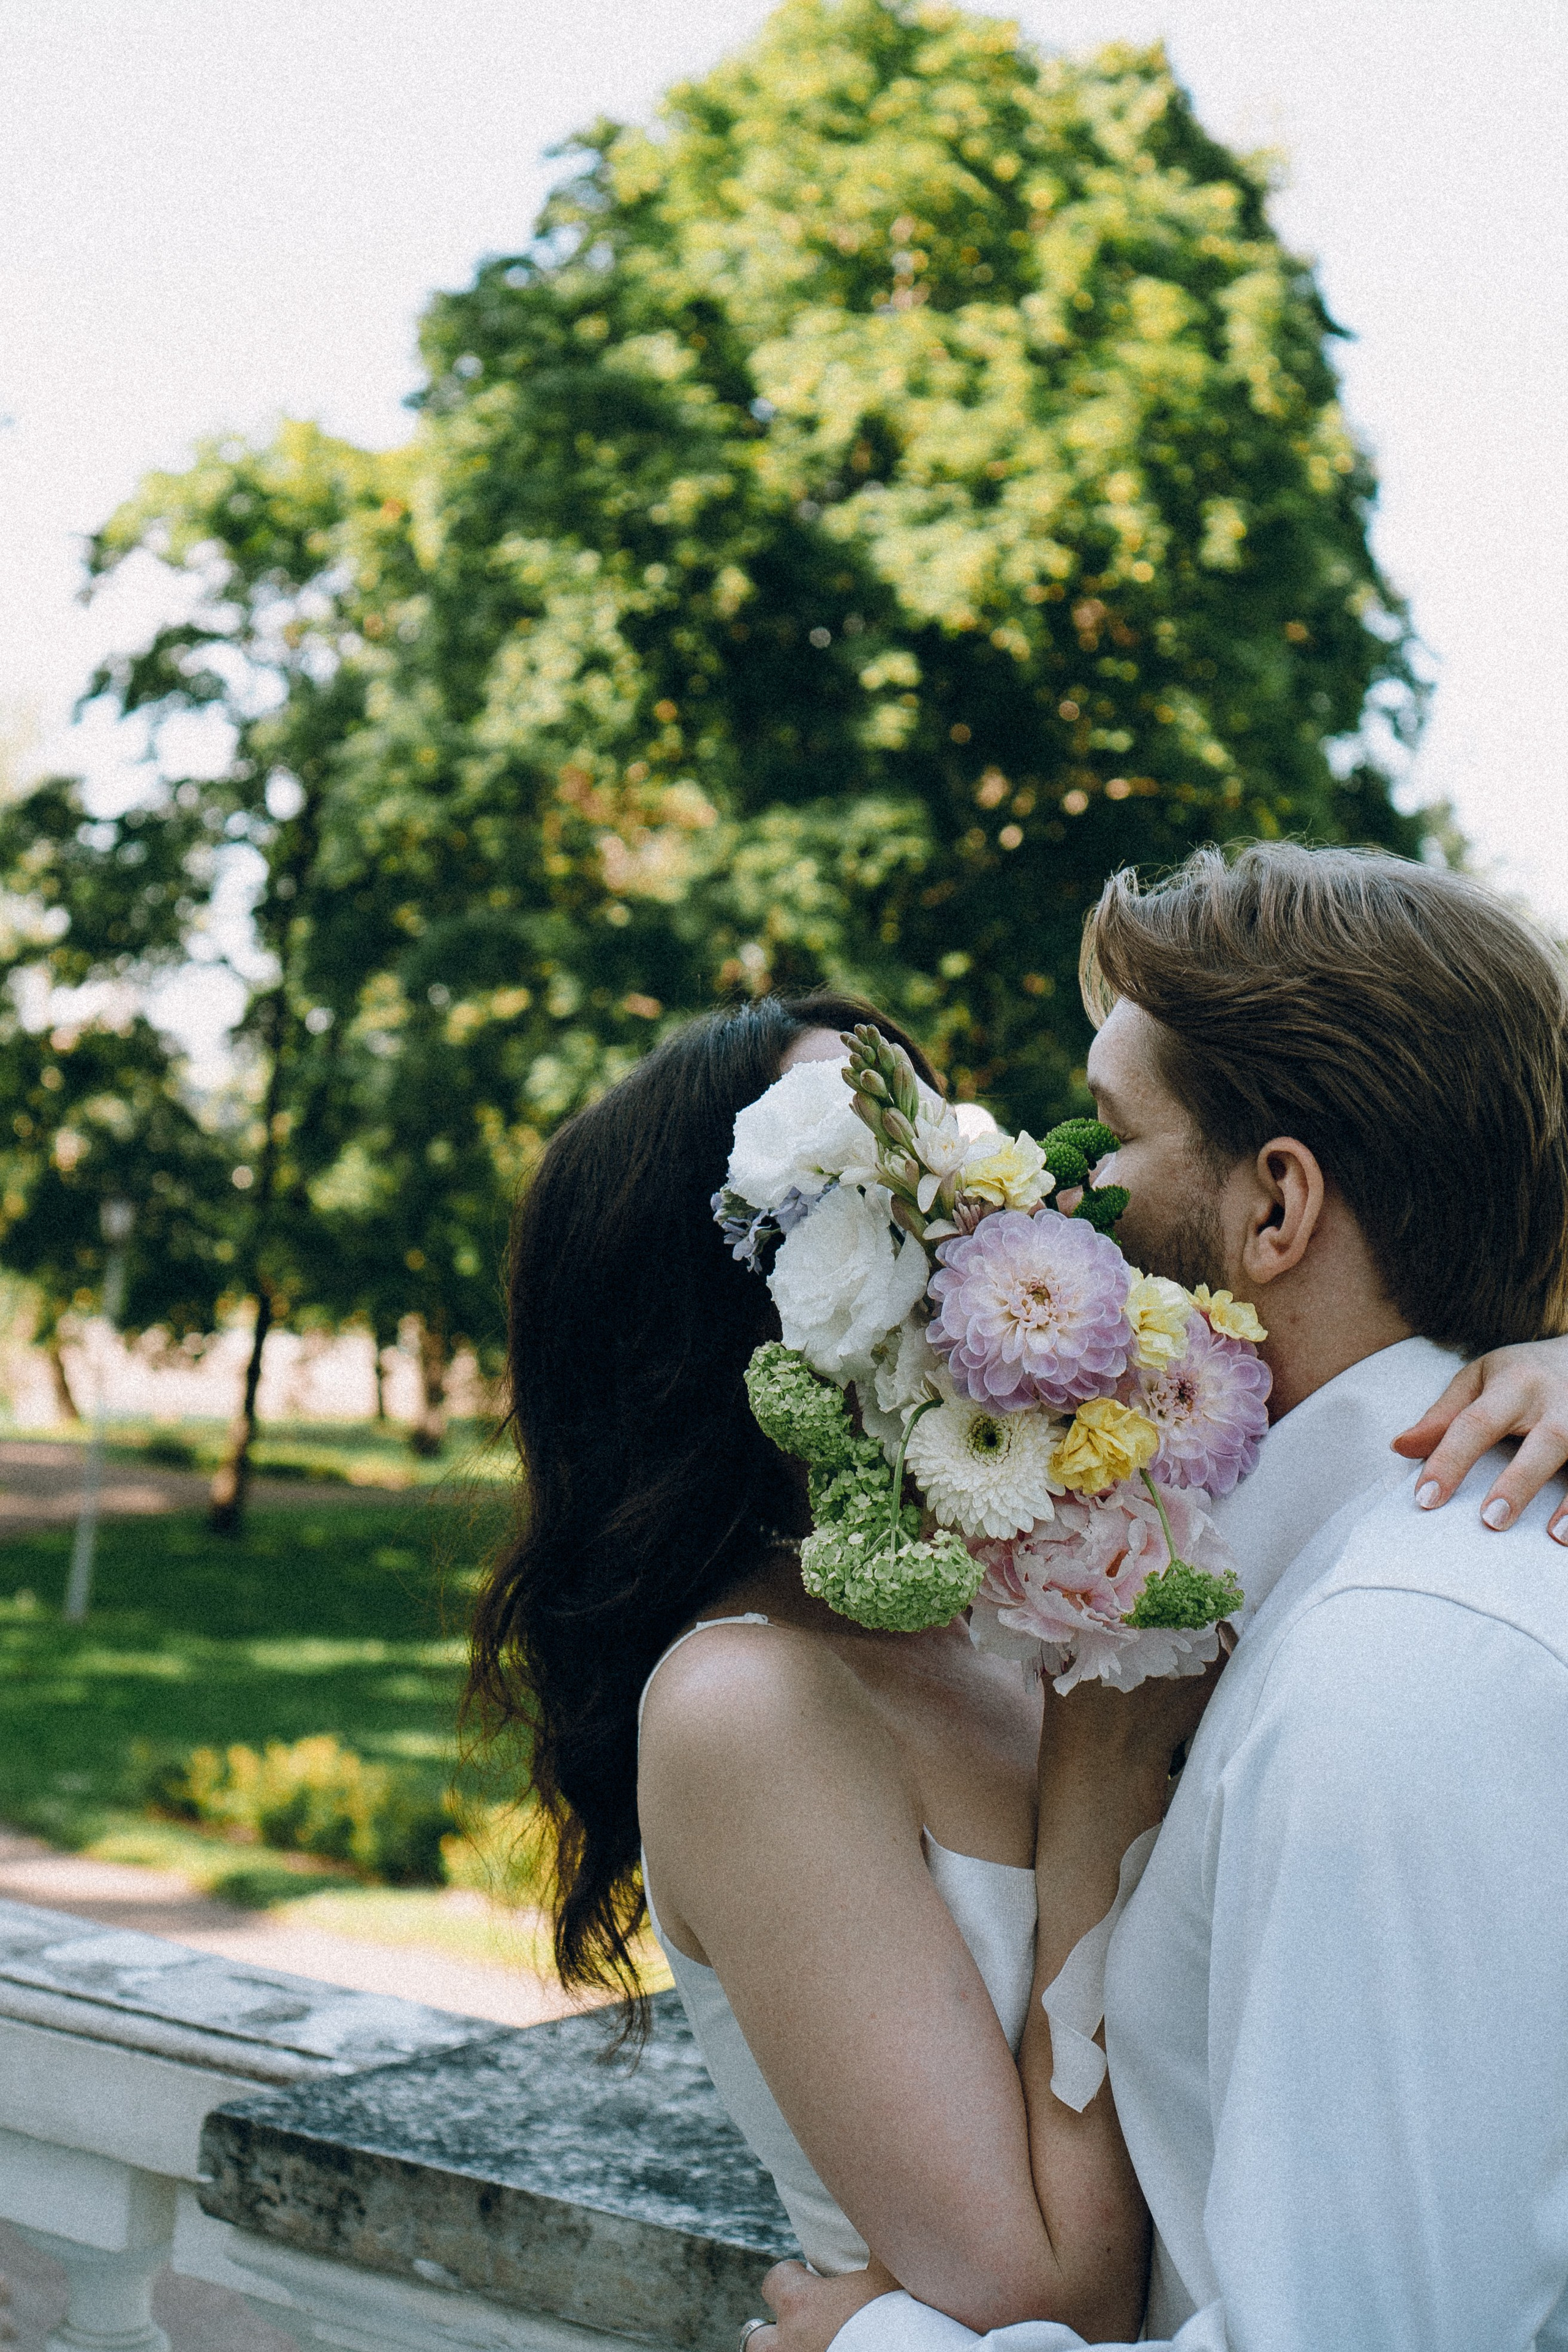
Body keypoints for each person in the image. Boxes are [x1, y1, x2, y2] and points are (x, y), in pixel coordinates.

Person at [466, 951, 1568, 2343]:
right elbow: (1046, 2300)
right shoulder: (749, 1705)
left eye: (951, 1141)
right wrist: (1091, 1803)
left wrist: (1532, 1360)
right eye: (879, 1185)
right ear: (740, 1297)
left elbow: (1357, 1390)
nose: (998, 1200)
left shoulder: (1058, 1570)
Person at [757, 843, 1568, 2352]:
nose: (1060, 1191)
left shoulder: (1394, 1678)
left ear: (1275, 1210)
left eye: (1108, 1139)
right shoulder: (1318, 1602)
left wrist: (881, 2348)